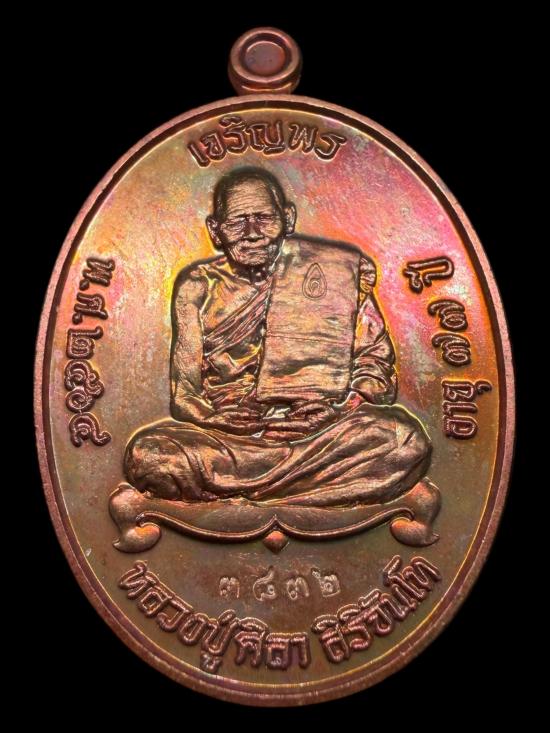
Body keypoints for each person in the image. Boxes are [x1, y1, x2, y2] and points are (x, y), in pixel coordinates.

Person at [123, 167, 439, 536]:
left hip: (320, 432)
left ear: (287, 219)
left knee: (404, 440)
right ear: (216, 230)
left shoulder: (335, 273)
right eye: (238, 221)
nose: (252, 232)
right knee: (150, 456)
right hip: (234, 437)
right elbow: (185, 395)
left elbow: (376, 370)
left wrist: (339, 408)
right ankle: (309, 492)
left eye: (263, 218)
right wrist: (215, 419)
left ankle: (246, 494)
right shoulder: (197, 287)